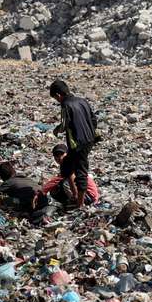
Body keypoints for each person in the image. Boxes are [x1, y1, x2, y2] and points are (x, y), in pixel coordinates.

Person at [49, 79, 98, 209]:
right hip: (88, 140)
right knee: (66, 167)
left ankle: (80, 204)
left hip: (77, 144)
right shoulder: (82, 101)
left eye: (56, 98)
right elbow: (93, 120)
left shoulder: (65, 105)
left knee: (80, 171)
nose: (57, 100)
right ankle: (75, 195)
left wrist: (57, 129)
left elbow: (65, 124)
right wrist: (90, 134)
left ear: (58, 95)